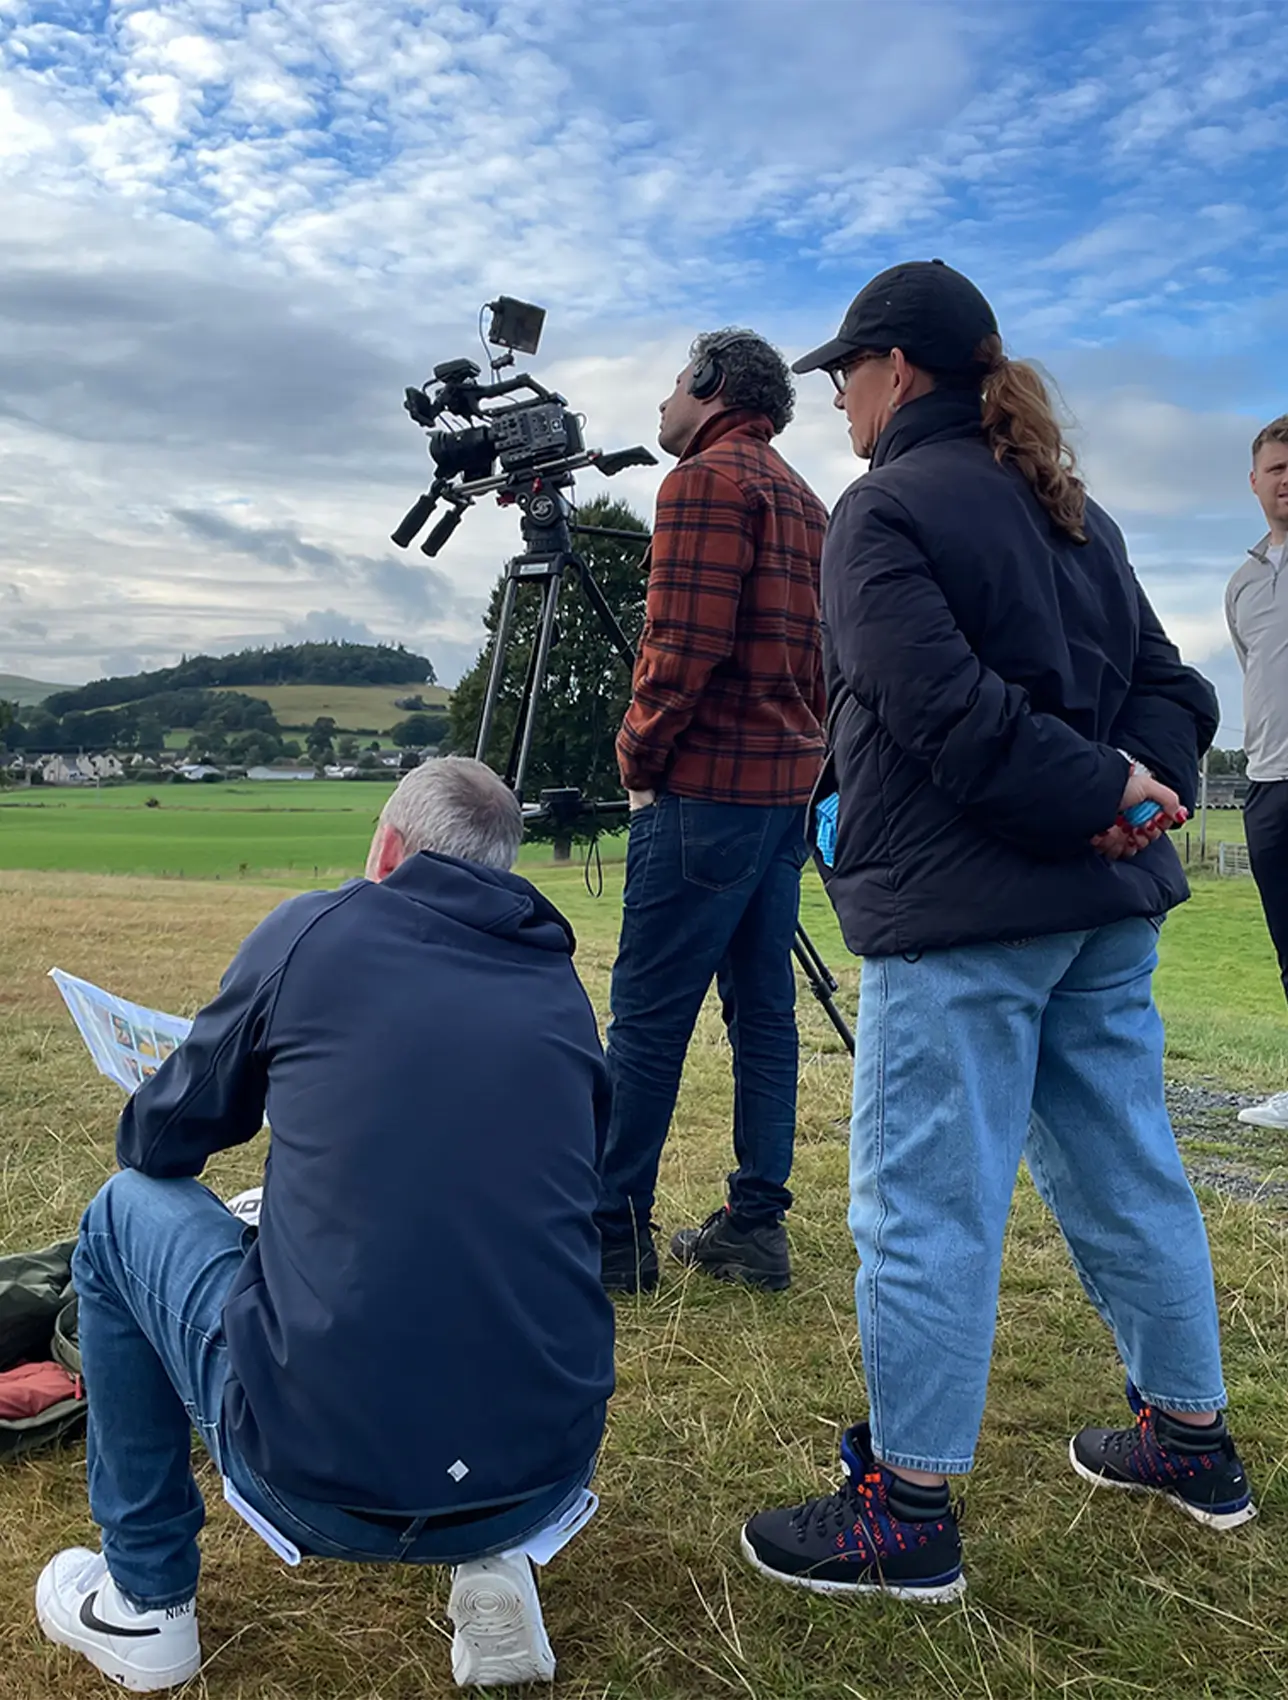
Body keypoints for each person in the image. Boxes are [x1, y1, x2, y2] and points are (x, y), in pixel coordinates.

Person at [741, 261, 1256, 1603]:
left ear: (898, 368)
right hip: (1098, 913)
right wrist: (1128, 796)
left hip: (962, 913)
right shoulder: (1072, 508)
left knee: (924, 1204)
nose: (836, 400)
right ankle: (1190, 1437)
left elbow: (936, 707)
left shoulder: (880, 509)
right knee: (1128, 1169)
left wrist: (1104, 796)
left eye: (844, 373)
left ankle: (906, 1512)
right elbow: (1173, 692)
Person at [35, 757, 614, 1691]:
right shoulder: (561, 991)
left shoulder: (315, 930)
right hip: (541, 1479)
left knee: (118, 1216)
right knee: (479, 1246)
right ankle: (491, 1561)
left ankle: (145, 1600)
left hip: (312, 1481)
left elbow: (160, 1142)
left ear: (386, 847)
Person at [597, 329, 827, 1295]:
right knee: (764, 1013)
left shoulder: (700, 483)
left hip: (703, 794)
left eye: (672, 384)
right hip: (783, 797)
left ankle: (612, 1235)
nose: (662, 405)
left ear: (709, 383)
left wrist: (637, 752)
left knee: (648, 1019)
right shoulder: (807, 500)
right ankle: (755, 1225)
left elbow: (680, 647)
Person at [1226, 415, 1288, 1129]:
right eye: (1276, 468)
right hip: (1269, 784)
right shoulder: (1242, 584)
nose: (1286, 480)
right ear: (1254, 481)